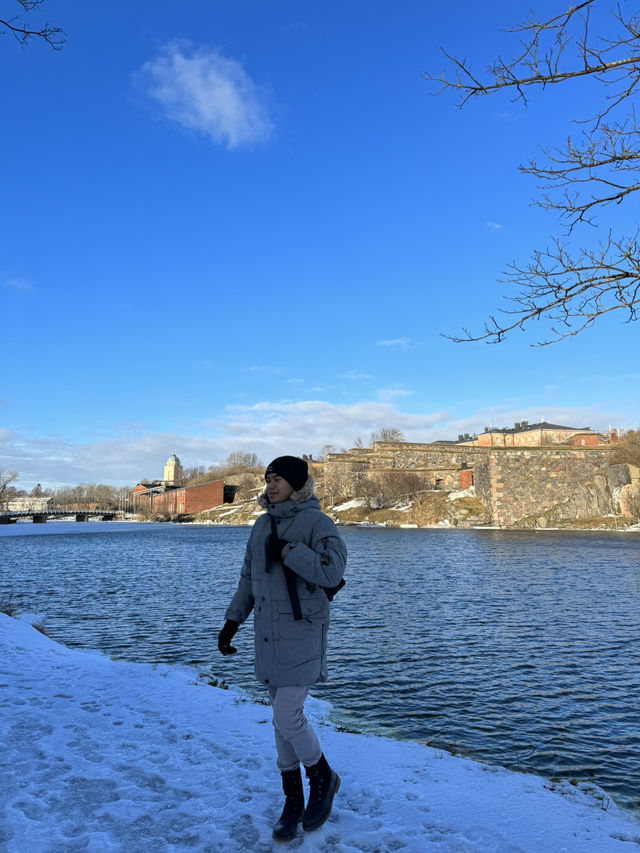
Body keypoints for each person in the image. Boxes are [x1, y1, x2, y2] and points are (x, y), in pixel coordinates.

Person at [218, 455, 347, 842]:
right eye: (268, 479)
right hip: (268, 635)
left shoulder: (317, 523)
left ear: (297, 484)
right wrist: (232, 622)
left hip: (302, 632)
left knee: (288, 715)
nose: (270, 485)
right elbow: (248, 580)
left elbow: (332, 572)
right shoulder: (261, 525)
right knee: (280, 720)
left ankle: (322, 776)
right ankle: (293, 800)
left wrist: (290, 552)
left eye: (278, 479)